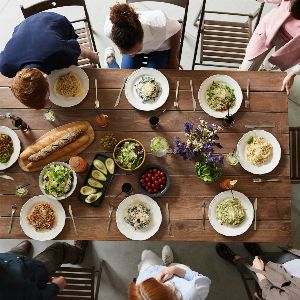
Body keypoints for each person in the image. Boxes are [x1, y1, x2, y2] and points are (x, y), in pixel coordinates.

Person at [0, 12, 99, 109]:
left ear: (46, 76)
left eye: (47, 97)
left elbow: (77, 47)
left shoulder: (58, 51)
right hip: (24, 27)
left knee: (70, 60)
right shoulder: (5, 66)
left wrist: (92, 56)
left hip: (54, 21)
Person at [240, 0, 300, 95]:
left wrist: (293, 74)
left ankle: (262, 70)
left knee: (270, 66)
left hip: (291, 45)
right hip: (268, 28)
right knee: (244, 72)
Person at [0, 240, 88, 300]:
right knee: (59, 248)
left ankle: (19, 253)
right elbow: (39, 297)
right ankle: (79, 256)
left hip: (10, 260)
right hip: (36, 272)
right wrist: (55, 287)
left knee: (15, 254)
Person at [103, 3, 181, 69]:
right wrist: (132, 52)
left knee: (154, 76)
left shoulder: (160, 25)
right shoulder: (110, 30)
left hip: (160, 48)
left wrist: (173, 58)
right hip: (136, 46)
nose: (132, 56)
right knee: (126, 75)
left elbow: (177, 30)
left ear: (142, 36)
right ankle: (110, 59)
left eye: (136, 50)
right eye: (125, 52)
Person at [216, 243, 300, 300]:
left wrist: (260, 272)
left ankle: (236, 260)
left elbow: (269, 294)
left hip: (280, 280)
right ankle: (259, 254)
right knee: (271, 256)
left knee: (247, 263)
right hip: (293, 262)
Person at [129, 245, 211, 300]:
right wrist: (175, 269)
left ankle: (148, 258)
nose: (156, 279)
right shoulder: (193, 292)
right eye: (159, 285)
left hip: (150, 270)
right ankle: (169, 263)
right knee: (177, 266)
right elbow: (203, 280)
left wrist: (150, 283)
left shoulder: (141, 292)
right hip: (180, 275)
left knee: (147, 258)